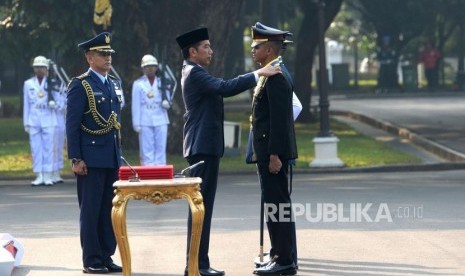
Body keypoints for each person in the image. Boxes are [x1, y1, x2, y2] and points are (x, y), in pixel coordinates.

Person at [175, 27, 281, 276]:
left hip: (205, 146)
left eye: (211, 46)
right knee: (200, 208)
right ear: (192, 51)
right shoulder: (194, 73)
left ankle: (198, 264)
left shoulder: (196, 71)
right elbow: (225, 87)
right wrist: (258, 73)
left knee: (203, 207)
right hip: (201, 146)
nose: (211, 51)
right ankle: (195, 266)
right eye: (206, 47)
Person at [66, 32, 123, 274]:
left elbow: (115, 123)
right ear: (90, 58)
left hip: (110, 157)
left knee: (108, 210)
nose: (108, 58)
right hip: (90, 159)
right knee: (90, 211)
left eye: (109, 54)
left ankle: (106, 255)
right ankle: (91, 259)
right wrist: (76, 158)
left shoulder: (112, 83)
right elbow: (72, 124)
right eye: (102, 54)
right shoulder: (81, 85)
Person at [248, 22, 298, 275]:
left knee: (277, 205)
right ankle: (279, 254)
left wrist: (275, 155)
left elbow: (279, 119)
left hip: (272, 153)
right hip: (268, 151)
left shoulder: (276, 76)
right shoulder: (273, 71)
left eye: (256, 46)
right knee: (275, 204)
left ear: (268, 49)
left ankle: (284, 259)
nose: (252, 50)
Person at [23, 56, 58, 186]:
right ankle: (39, 175)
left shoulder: (52, 82)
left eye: (42, 67)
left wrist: (55, 103)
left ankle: (48, 175)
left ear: (46, 69)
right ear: (34, 69)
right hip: (34, 119)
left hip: (48, 118)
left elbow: (60, 98)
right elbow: (26, 104)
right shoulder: (28, 83)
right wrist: (26, 122)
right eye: (37, 67)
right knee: (36, 149)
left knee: (48, 148)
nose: (39, 69)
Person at [131, 54, 171, 165]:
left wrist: (167, 102)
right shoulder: (138, 84)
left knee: (160, 147)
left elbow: (168, 97)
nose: (150, 68)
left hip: (161, 117)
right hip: (145, 119)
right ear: (143, 68)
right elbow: (136, 105)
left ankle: (161, 169)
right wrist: (136, 123)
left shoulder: (162, 82)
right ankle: (148, 171)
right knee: (146, 148)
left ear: (157, 68)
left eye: (153, 66)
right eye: (147, 66)